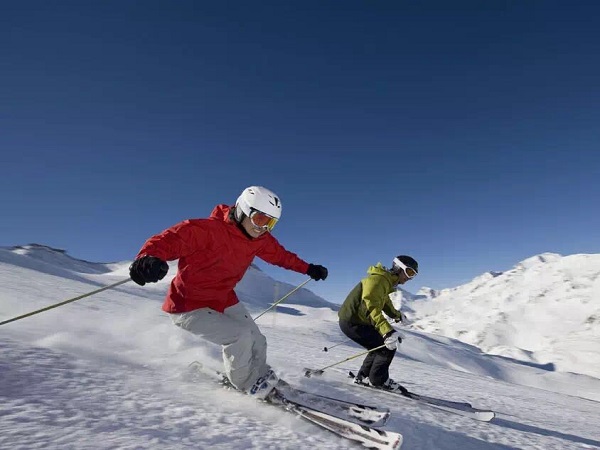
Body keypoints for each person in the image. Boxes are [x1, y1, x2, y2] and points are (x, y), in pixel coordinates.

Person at [129, 186, 328, 398]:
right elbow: (168, 240)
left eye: (271, 223)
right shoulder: (205, 230)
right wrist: (147, 259)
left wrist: (308, 268)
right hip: (188, 305)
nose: (264, 228)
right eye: (260, 219)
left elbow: (282, 256)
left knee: (257, 339)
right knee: (239, 337)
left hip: (223, 298)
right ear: (243, 210)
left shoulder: (259, 240)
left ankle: (259, 373)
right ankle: (246, 382)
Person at [338, 255, 418, 391]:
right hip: (353, 321)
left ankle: (364, 377)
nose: (410, 278)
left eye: (413, 275)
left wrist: (397, 315)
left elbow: (385, 302)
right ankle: (378, 381)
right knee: (386, 347)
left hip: (358, 320)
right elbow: (371, 307)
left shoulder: (385, 281)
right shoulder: (377, 281)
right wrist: (387, 332)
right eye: (409, 272)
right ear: (399, 268)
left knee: (378, 346)